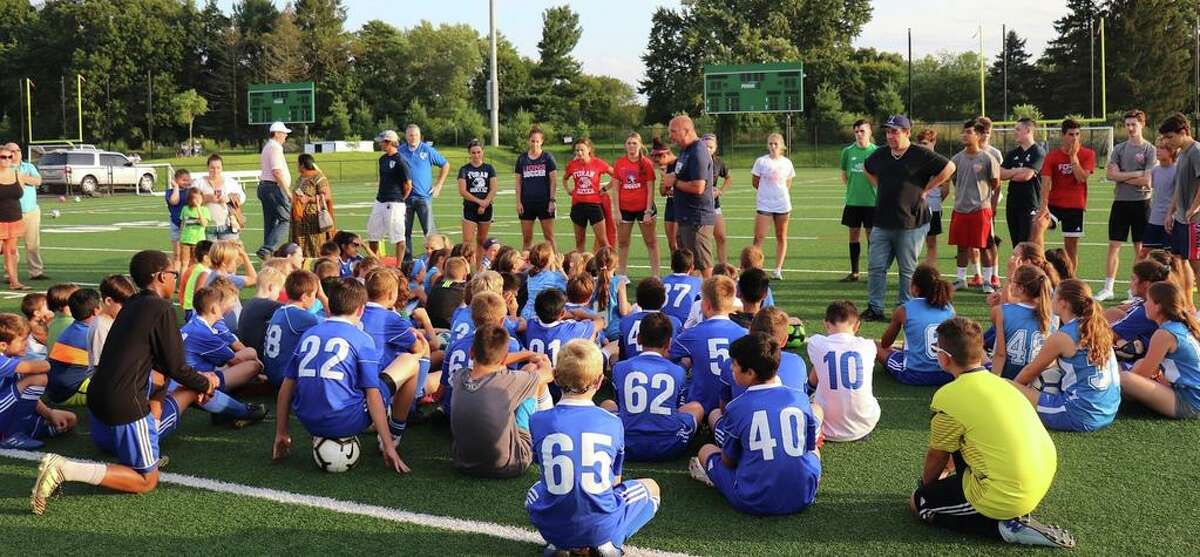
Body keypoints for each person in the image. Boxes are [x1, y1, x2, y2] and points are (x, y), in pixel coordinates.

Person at [31, 250, 221, 514]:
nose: (175, 279)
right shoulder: (161, 308)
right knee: (146, 480)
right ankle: (66, 469)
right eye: (174, 274)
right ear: (161, 276)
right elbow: (176, 367)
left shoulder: (132, 304)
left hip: (99, 398)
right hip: (124, 402)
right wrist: (206, 383)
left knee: (144, 443)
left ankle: (146, 452)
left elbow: (161, 365)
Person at [909, 316, 1074, 548]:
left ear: (944, 358)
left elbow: (937, 455)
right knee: (965, 440)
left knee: (920, 504)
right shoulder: (1005, 384)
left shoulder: (947, 396)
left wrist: (927, 488)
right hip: (1038, 479)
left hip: (1007, 493)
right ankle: (1003, 508)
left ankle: (1005, 527)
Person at [271, 278, 419, 473]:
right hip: (347, 420)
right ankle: (394, 434)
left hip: (308, 421)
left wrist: (281, 432)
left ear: (330, 305)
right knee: (410, 361)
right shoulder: (361, 338)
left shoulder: (309, 334)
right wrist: (388, 445)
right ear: (360, 310)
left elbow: (286, 388)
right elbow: (372, 395)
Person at [527, 339, 660, 555]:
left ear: (556, 377)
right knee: (652, 487)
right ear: (599, 381)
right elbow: (614, 482)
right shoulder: (613, 422)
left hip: (554, 527)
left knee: (535, 490)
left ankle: (559, 544)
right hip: (601, 525)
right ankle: (609, 544)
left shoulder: (537, 420)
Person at [690, 332, 821, 516]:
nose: (731, 368)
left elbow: (729, 461)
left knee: (706, 450)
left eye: (735, 364)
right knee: (814, 452)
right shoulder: (800, 398)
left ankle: (716, 477)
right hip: (803, 496)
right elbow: (809, 447)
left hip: (753, 499)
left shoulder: (737, 407)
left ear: (750, 372)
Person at [862, 115, 955, 322]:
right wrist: (879, 185)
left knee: (907, 270)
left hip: (911, 221)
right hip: (882, 220)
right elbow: (866, 168)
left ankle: (904, 309)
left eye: (895, 131)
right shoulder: (881, 154)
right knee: (876, 267)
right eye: (888, 132)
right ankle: (875, 308)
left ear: (907, 132)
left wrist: (928, 188)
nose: (890, 136)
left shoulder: (919, 153)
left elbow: (949, 167)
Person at [1012, 279, 1120, 432]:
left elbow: (1030, 371)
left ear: (1063, 303)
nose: (1051, 299)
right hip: (1108, 412)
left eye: (1054, 296)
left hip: (1078, 415)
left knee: (1006, 385)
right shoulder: (1098, 326)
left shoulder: (1063, 336)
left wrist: (1014, 390)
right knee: (1052, 372)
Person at [452, 324, 553, 478]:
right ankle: (547, 434)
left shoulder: (459, 376)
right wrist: (541, 360)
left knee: (527, 378)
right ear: (505, 358)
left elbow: (494, 361)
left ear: (471, 352)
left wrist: (527, 354)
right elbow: (548, 374)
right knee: (533, 371)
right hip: (511, 465)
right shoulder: (508, 381)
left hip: (463, 463)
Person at [602, 312, 703, 461]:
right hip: (669, 446)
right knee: (696, 407)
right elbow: (677, 407)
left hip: (626, 442)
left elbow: (620, 404)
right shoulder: (678, 371)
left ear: (638, 338)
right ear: (669, 343)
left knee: (607, 404)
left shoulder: (619, 368)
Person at [1098, 109, 1156, 301]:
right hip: (1121, 202)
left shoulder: (1150, 149)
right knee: (1114, 245)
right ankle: (1108, 288)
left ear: (1142, 124)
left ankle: (1136, 291)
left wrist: (1122, 176)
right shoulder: (1119, 149)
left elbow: (1147, 181)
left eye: (1134, 124)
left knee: (1140, 248)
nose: (1130, 128)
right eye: (1128, 124)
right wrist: (1136, 173)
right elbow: (1110, 175)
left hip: (1142, 203)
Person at [669, 275, 747, 414]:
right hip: (732, 405)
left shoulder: (692, 333)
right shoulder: (745, 334)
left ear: (706, 305)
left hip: (699, 404)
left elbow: (669, 354)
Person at [1123, 281, 1200, 419]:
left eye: (1148, 301)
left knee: (1125, 379)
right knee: (1139, 364)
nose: (1144, 305)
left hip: (1190, 402)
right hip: (1192, 394)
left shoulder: (1164, 334)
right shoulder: (1181, 325)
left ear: (1158, 306)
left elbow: (1142, 375)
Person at [806, 300, 879, 442]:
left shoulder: (815, 343)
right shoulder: (868, 345)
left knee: (820, 364)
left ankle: (808, 391)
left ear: (826, 324)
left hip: (824, 426)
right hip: (864, 426)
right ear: (857, 325)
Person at [0, 313, 75, 450]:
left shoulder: (12, 359)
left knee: (70, 419)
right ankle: (13, 435)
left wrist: (49, 414)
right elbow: (44, 366)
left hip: (6, 413)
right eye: (23, 340)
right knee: (38, 378)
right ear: (3, 345)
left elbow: (25, 392)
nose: (27, 344)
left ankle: (23, 431)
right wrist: (45, 363)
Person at [878, 264, 956, 386]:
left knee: (876, 346)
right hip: (947, 373)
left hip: (914, 374)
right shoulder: (949, 308)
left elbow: (885, 343)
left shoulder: (904, 310)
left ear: (915, 288)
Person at [1034, 118, 1096, 270]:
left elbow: (1081, 178)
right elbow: (1045, 182)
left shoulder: (1088, 154)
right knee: (1038, 225)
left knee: (1071, 247)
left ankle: (1070, 277)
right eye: (1070, 134)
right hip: (1054, 204)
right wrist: (1043, 206)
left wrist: (1073, 157)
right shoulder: (1052, 156)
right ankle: (1042, 267)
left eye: (1077, 134)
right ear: (1063, 135)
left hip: (1075, 206)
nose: (1074, 138)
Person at [948, 118, 1001, 294]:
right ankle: (961, 279)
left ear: (978, 135)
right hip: (960, 209)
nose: (964, 135)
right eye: (963, 132)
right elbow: (954, 180)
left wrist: (992, 206)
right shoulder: (956, 159)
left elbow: (996, 183)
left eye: (969, 132)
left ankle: (987, 281)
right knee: (962, 246)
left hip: (980, 209)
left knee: (984, 246)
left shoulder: (988, 158)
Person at [1159, 113, 1200, 306]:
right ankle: (1188, 306)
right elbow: (1178, 187)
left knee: (1197, 265)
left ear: (1183, 132)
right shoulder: (1182, 153)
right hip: (1181, 218)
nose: (1167, 142)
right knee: (1180, 262)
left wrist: (1194, 208)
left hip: (1194, 220)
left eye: (1170, 137)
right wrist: (1170, 213)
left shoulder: (1196, 151)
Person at [669, 116, 717, 277]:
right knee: (689, 265)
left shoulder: (698, 151)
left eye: (674, 131)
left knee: (704, 265)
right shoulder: (685, 150)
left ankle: (712, 292)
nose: (671, 136)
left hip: (697, 218)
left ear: (686, 131)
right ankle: (695, 292)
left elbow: (698, 187)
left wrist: (675, 182)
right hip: (686, 217)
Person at [990, 264, 1054, 380]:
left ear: (1021, 288)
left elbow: (1000, 355)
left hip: (1009, 377)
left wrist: (994, 383)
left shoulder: (1002, 311)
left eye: (1013, 281)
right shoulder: (1051, 313)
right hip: (1037, 380)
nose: (1011, 284)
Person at [262, 270, 323, 386]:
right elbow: (338, 323)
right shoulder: (301, 316)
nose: (316, 299)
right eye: (315, 295)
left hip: (272, 372)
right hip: (285, 378)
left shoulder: (279, 311)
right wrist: (323, 297)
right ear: (304, 297)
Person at [397, 124, 449, 259]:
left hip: (423, 197)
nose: (413, 137)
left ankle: (435, 260)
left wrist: (439, 185)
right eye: (410, 135)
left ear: (420, 136)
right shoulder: (400, 151)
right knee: (405, 232)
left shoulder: (427, 150)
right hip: (405, 198)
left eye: (416, 135)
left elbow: (445, 164)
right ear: (406, 136)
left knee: (430, 232)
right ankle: (407, 262)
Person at [612, 132, 659, 276]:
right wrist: (617, 211)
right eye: (629, 143)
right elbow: (615, 189)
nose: (631, 146)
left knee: (651, 242)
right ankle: (622, 275)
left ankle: (656, 275)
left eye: (634, 143)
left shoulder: (646, 164)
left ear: (640, 145)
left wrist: (648, 211)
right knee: (623, 243)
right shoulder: (619, 163)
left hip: (643, 208)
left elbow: (650, 189)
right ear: (625, 146)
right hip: (625, 208)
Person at [751, 133, 796, 279]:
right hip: (764, 204)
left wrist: (778, 194)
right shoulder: (761, 161)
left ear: (781, 146)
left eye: (776, 144)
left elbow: (788, 183)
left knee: (781, 236)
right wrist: (766, 193)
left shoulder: (787, 163)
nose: (773, 146)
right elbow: (755, 182)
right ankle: (755, 268)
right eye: (770, 143)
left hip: (782, 204)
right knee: (759, 237)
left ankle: (778, 269)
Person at [45, 288, 99, 407]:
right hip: (69, 392)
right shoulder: (90, 334)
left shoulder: (73, 328)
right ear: (96, 310)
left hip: (57, 389)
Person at [840, 119, 878, 280]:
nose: (859, 134)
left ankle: (873, 272)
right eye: (856, 131)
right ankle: (854, 272)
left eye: (862, 131)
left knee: (872, 237)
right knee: (853, 235)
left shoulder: (876, 151)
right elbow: (844, 175)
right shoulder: (847, 152)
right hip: (853, 201)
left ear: (870, 132)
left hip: (872, 202)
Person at [1000, 118, 1047, 247]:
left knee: (1026, 245)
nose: (1015, 132)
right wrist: (1018, 171)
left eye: (1018, 129)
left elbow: (1026, 176)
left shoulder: (1038, 152)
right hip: (1012, 204)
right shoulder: (1012, 153)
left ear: (1028, 130)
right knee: (1016, 245)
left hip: (1029, 204)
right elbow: (1000, 174)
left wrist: (1012, 172)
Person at [367, 130, 412, 263]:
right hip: (380, 200)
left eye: (382, 142)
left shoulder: (401, 160)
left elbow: (408, 185)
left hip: (395, 202)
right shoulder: (382, 159)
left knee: (398, 236)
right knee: (373, 234)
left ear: (389, 142)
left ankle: (398, 266)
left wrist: (400, 199)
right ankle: (375, 263)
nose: (380, 144)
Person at [563, 138, 614, 253]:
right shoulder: (572, 165)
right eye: (577, 150)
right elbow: (565, 178)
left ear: (589, 149)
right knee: (579, 242)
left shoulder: (598, 163)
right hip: (578, 206)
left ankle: (610, 263)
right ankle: (582, 264)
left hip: (594, 205)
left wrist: (605, 188)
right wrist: (568, 190)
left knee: (603, 241)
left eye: (582, 150)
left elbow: (616, 175)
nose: (579, 153)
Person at [515, 126, 558, 251]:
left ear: (542, 141)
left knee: (549, 237)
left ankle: (555, 261)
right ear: (529, 141)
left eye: (537, 141)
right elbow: (518, 182)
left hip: (544, 202)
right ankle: (526, 262)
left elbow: (553, 181)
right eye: (532, 141)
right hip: (527, 202)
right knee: (527, 239)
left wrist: (552, 200)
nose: (535, 144)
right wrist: (518, 202)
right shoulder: (522, 159)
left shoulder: (547, 158)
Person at [618, 276, 682, 360]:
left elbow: (622, 355)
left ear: (638, 300)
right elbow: (676, 355)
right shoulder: (674, 322)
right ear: (663, 300)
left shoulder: (625, 322)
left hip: (631, 366)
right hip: (663, 366)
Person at [457, 140, 498, 267]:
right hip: (470, 208)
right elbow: (462, 191)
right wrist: (479, 201)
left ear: (483, 152)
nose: (476, 155)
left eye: (478, 152)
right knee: (467, 243)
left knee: (481, 241)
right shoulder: (464, 169)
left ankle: (479, 268)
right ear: (469, 153)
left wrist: (485, 203)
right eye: (473, 152)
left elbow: (493, 189)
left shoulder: (489, 168)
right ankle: (466, 270)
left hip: (486, 208)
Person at [9, 144, 46, 280]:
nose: (16, 153)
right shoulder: (4, 168)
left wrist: (20, 177)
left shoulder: (28, 167)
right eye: (12, 151)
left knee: (33, 244)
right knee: (11, 245)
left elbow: (38, 181)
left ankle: (36, 272)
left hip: (31, 211)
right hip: (11, 212)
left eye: (18, 150)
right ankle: (10, 274)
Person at [256, 122, 293, 259]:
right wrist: (287, 192)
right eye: (284, 133)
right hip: (273, 188)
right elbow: (276, 171)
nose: (285, 136)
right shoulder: (275, 148)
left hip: (266, 187)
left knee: (270, 223)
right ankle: (267, 249)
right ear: (276, 133)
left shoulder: (269, 146)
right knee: (286, 219)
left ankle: (268, 255)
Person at [192, 154, 246, 243]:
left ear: (222, 168)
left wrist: (229, 198)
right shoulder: (199, 183)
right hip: (206, 226)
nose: (215, 171)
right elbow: (190, 199)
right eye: (212, 168)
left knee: (230, 250)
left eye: (218, 168)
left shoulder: (230, 182)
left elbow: (242, 197)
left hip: (227, 225)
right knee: (209, 251)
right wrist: (206, 198)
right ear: (208, 168)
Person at [291, 154, 335, 257]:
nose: (297, 166)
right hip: (300, 219)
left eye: (298, 163)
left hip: (313, 219)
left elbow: (327, 196)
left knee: (315, 246)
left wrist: (309, 199)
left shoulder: (318, 178)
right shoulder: (300, 178)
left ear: (302, 165)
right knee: (300, 248)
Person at [236, 266, 285, 357]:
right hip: (257, 356)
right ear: (271, 287)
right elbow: (293, 310)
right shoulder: (266, 305)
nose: (278, 295)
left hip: (247, 350)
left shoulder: (250, 303)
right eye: (278, 291)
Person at [914, 129, 945, 266]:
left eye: (925, 143)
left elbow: (945, 189)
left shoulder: (940, 162)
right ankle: (910, 270)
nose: (923, 146)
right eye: (920, 143)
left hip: (933, 207)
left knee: (931, 242)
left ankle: (930, 270)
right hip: (915, 208)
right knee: (912, 241)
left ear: (934, 142)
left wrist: (935, 201)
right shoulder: (913, 161)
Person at [1143, 137, 1178, 256]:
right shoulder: (1155, 170)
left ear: (1172, 151)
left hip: (1170, 221)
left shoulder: (1177, 170)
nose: (1158, 150)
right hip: (1154, 219)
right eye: (1157, 147)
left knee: (1171, 257)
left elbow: (1178, 196)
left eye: (1162, 148)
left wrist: (1171, 215)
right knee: (1145, 253)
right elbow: (1149, 185)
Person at [703, 133, 732, 266]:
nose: (708, 149)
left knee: (721, 236)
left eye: (711, 147)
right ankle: (703, 268)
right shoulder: (695, 160)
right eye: (705, 146)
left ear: (715, 148)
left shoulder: (718, 162)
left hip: (714, 204)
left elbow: (728, 177)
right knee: (703, 240)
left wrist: (720, 191)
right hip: (698, 205)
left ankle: (723, 266)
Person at [0, 148, 27, 291]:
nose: (7, 160)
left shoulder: (17, 174)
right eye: (3, 157)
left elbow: (20, 193)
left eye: (10, 157)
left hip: (15, 218)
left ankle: (14, 282)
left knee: (11, 251)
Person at [651, 138, 679, 253]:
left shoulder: (681, 163)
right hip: (670, 205)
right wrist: (663, 177)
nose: (657, 164)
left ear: (665, 155)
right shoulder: (666, 167)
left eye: (658, 161)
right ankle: (675, 264)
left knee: (680, 242)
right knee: (672, 244)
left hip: (682, 205)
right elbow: (663, 192)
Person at [165, 168, 191, 272]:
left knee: (189, 255)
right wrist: (176, 187)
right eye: (183, 180)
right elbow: (174, 201)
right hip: (175, 224)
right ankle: (175, 275)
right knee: (177, 254)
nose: (186, 182)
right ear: (176, 180)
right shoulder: (170, 192)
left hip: (189, 226)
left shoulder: (190, 192)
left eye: (188, 180)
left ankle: (187, 276)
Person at [178, 188, 209, 267]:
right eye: (195, 198)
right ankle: (184, 275)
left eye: (199, 198)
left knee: (197, 262)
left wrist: (198, 208)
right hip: (185, 240)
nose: (197, 200)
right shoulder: (185, 209)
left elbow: (204, 224)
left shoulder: (204, 210)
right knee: (184, 263)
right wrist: (180, 237)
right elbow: (182, 223)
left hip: (198, 240)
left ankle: (195, 274)